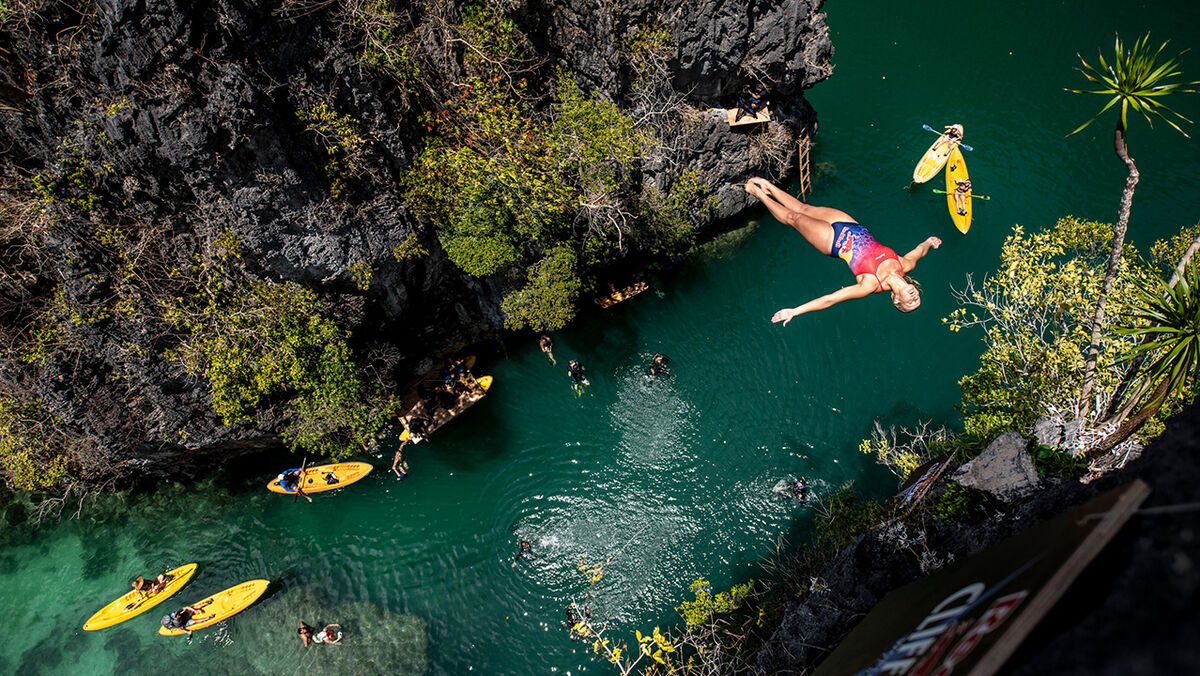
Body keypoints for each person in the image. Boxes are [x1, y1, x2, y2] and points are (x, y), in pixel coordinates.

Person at [744, 177, 942, 322]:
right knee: (804, 208)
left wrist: (795, 311)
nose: (914, 297)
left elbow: (830, 299)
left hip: (832, 242)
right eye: (917, 298)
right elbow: (919, 251)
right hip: (851, 226)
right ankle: (769, 187)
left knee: (794, 218)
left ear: (896, 300)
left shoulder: (870, 286)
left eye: (910, 302)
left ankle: (758, 194)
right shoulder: (905, 265)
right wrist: (929, 242)